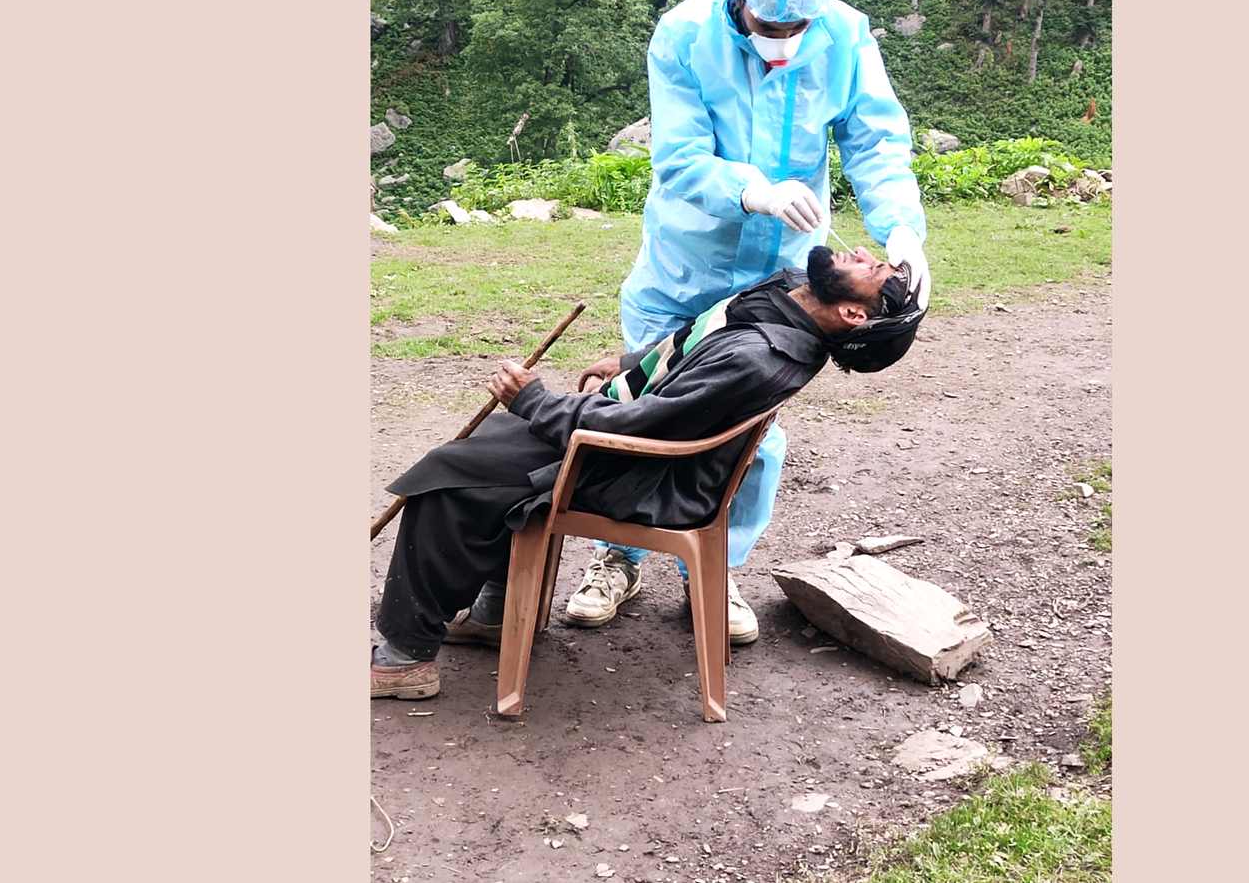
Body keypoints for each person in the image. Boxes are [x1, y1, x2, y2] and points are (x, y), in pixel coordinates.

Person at [563, 0, 932, 641]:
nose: (787, 38)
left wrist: (903, 230)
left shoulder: (846, 35)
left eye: (800, 24)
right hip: (686, 257)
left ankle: (712, 565)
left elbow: (877, 141)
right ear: (740, 2)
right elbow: (678, 154)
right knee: (641, 405)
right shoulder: (683, 34)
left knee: (751, 427)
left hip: (782, 274)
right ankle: (619, 554)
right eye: (772, 24)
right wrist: (751, 189)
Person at [371, 246, 927, 699]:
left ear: (853, 314)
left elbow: (648, 427)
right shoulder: (785, 300)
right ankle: (495, 613)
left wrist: (536, 402)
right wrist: (634, 363)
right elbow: (701, 334)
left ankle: (404, 661)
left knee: (451, 479)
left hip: (649, 474)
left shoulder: (759, 356)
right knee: (489, 446)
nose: (859, 252)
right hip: (647, 447)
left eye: (872, 268)